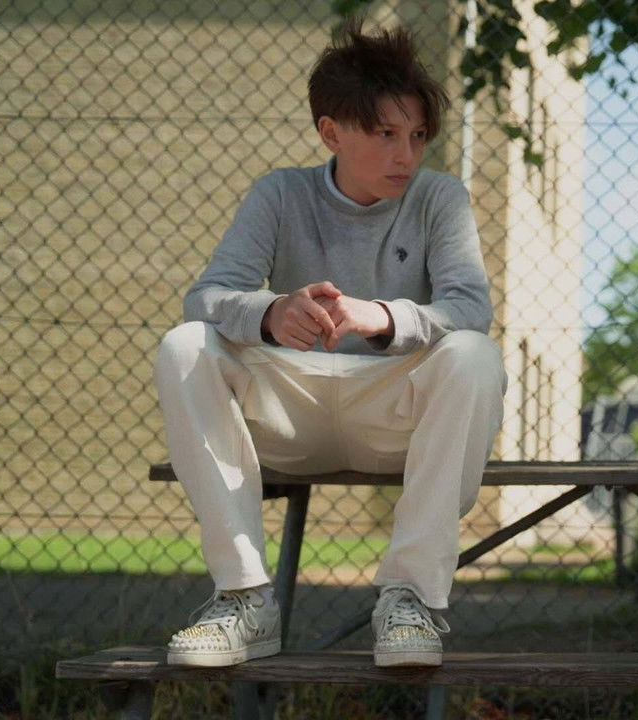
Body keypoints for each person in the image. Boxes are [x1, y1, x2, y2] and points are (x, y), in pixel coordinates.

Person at [154, 20, 505, 669]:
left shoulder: (440, 198)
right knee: (184, 345)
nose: (407, 154)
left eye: (417, 135)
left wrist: (381, 316)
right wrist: (270, 312)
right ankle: (244, 599)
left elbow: (470, 309)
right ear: (331, 132)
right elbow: (206, 297)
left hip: (393, 415)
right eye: (386, 134)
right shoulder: (280, 193)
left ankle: (409, 600)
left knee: (475, 356)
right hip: (290, 409)